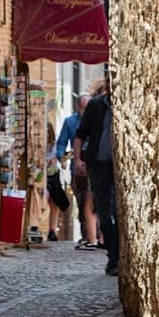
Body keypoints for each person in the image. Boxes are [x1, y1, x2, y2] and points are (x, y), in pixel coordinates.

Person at [73, 69, 118, 277]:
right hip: (99, 165)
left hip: (119, 167)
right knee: (103, 210)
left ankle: (118, 254)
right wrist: (78, 160)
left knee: (118, 212)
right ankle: (113, 256)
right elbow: (80, 134)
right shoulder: (96, 106)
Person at [56, 93, 98, 249]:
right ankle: (86, 234)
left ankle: (96, 236)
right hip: (78, 168)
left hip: (94, 166)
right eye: (83, 107)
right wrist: (62, 158)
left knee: (93, 202)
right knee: (81, 202)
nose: (86, 111)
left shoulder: (96, 121)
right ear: (78, 107)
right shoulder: (70, 122)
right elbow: (61, 143)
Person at [44, 121, 63, 241]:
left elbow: (56, 157)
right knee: (43, 200)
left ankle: (52, 229)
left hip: (52, 175)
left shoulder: (53, 145)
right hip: (42, 175)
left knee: (54, 203)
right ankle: (44, 227)